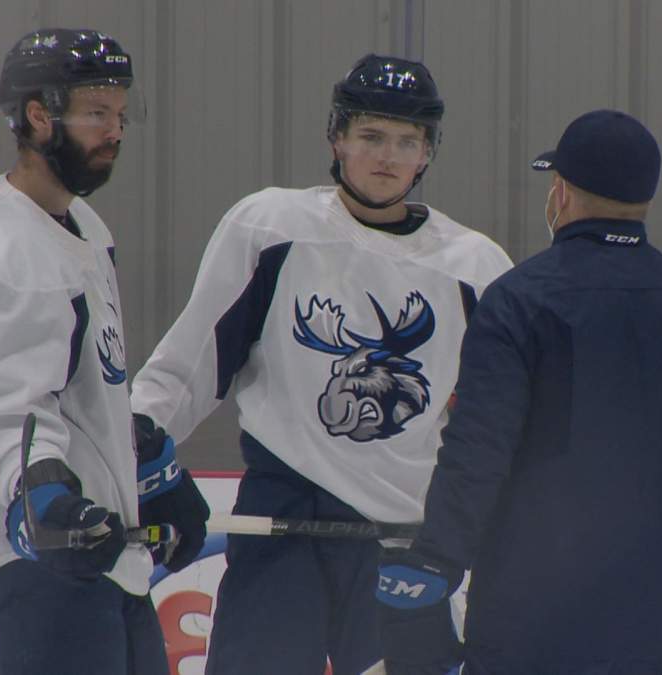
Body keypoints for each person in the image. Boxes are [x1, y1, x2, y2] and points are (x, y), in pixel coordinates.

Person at [129, 54, 513, 674]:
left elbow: (501, 422)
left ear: (427, 154)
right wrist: (137, 442)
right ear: (336, 138)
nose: (386, 157)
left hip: (406, 545)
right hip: (283, 520)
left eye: (406, 141)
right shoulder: (271, 226)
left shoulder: (475, 267)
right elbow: (193, 361)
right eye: (370, 136)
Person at [375, 109, 662, 674]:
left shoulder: (519, 301)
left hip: (527, 622)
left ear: (561, 192)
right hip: (649, 624)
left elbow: (478, 450)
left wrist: (436, 562)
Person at [0, 28, 208, 675]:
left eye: (121, 114)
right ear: (39, 115)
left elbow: (81, 386)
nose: (115, 130)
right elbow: (0, 410)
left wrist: (146, 467)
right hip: (36, 568)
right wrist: (42, 498)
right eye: (96, 113)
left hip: (98, 559)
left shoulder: (81, 227)